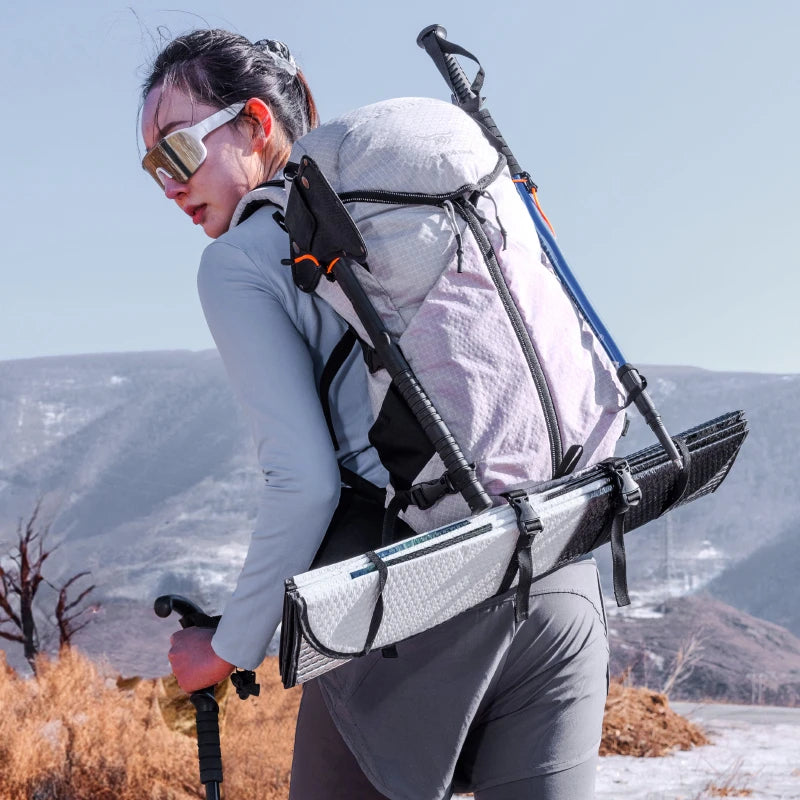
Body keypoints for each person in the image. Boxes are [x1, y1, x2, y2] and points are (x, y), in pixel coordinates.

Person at [140, 29, 610, 800]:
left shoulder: (239, 260)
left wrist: (225, 650)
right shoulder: (410, 218)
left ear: (256, 124)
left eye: (177, 151)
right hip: (560, 570)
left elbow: (305, 484)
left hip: (411, 612)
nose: (168, 184)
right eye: (153, 167)